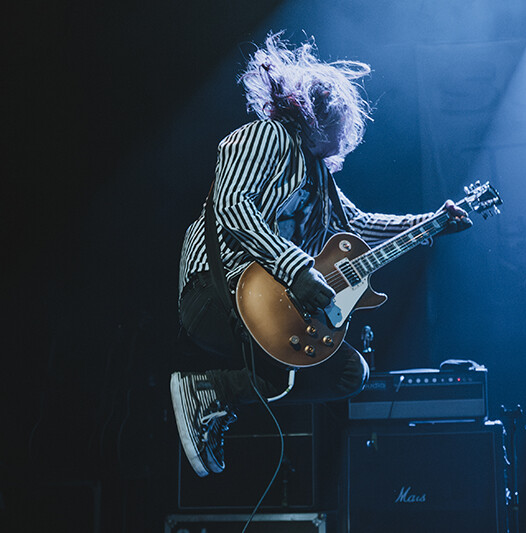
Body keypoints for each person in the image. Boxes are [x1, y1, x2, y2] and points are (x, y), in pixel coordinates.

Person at [170, 32, 472, 478]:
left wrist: (430, 223)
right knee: (332, 364)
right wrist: (297, 269)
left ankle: (214, 391)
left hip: (268, 301)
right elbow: (233, 206)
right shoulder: (264, 136)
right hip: (216, 291)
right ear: (318, 111)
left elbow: (360, 224)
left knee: (347, 372)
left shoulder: (317, 176)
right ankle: (211, 390)